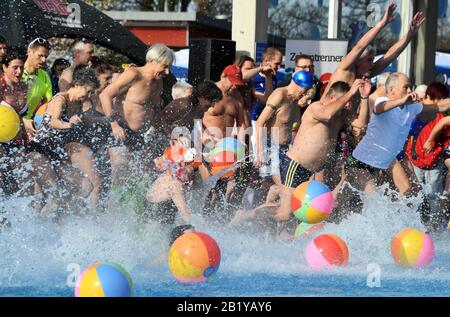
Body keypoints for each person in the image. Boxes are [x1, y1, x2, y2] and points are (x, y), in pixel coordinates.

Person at [275, 79, 370, 222]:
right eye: (345, 101)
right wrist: (350, 93)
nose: (348, 105)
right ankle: (248, 216)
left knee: (308, 210)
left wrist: (364, 97)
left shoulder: (340, 115)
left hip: (312, 171)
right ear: (332, 98)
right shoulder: (316, 107)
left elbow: (361, 124)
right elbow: (327, 115)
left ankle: (286, 235)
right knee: (285, 213)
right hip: (295, 166)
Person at [347, 73, 450, 197]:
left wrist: (406, 102)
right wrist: (402, 100)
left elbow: (440, 106)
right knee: (371, 196)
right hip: (361, 160)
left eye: (411, 87)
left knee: (409, 192)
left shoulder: (410, 108)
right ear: (391, 90)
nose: (410, 91)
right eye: (406, 87)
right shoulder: (383, 101)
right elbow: (380, 108)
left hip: (388, 158)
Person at [99, 43, 175, 185]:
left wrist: (168, 132)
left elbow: (156, 111)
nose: (167, 72)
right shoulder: (133, 74)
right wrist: (114, 125)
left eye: (169, 67)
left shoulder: (158, 82)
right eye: (165, 66)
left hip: (138, 136)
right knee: (120, 169)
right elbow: (105, 95)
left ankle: (140, 207)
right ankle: (108, 206)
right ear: (151, 61)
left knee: (149, 174)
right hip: (119, 130)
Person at [30, 65, 102, 206]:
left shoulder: (76, 104)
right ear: (77, 84)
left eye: (91, 93)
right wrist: (70, 125)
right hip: (41, 149)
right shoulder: (60, 99)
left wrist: (107, 120)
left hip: (57, 152)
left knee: (83, 187)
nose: (88, 96)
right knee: (52, 193)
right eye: (87, 91)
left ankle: (67, 221)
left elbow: (83, 119)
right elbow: (54, 121)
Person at [322, 4, 425, 98]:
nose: (372, 64)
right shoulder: (346, 69)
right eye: (369, 60)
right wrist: (381, 24)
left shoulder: (365, 75)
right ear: (358, 60)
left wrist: (410, 34)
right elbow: (360, 46)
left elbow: (393, 53)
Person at [255, 70, 314, 185]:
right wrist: (261, 153)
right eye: (305, 90)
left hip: (285, 149)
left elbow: (294, 129)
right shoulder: (279, 95)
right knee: (282, 187)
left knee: (275, 188)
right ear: (298, 85)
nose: (305, 93)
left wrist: (307, 97)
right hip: (270, 147)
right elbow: (260, 123)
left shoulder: (296, 100)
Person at [154, 80, 222, 138]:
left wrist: (210, 139)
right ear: (201, 97)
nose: (213, 105)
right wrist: (173, 137)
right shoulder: (183, 104)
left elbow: (199, 129)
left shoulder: (199, 111)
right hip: (157, 138)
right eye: (211, 101)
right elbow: (159, 120)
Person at [202, 64, 247, 145]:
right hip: (206, 144)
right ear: (223, 76)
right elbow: (195, 118)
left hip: (227, 146)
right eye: (232, 82)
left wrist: (241, 142)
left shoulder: (238, 97)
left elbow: (241, 124)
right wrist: (203, 136)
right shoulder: (207, 92)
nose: (234, 87)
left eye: (237, 84)